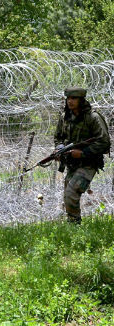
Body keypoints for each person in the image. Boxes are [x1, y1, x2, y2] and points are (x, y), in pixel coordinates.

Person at [54, 87, 110, 224]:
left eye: (74, 98)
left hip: (89, 163)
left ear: (81, 100)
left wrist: (83, 153)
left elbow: (104, 142)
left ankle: (74, 226)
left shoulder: (93, 117)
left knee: (71, 193)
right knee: (68, 196)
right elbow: (58, 137)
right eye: (68, 98)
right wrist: (59, 148)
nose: (70, 101)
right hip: (71, 163)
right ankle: (73, 225)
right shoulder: (65, 117)